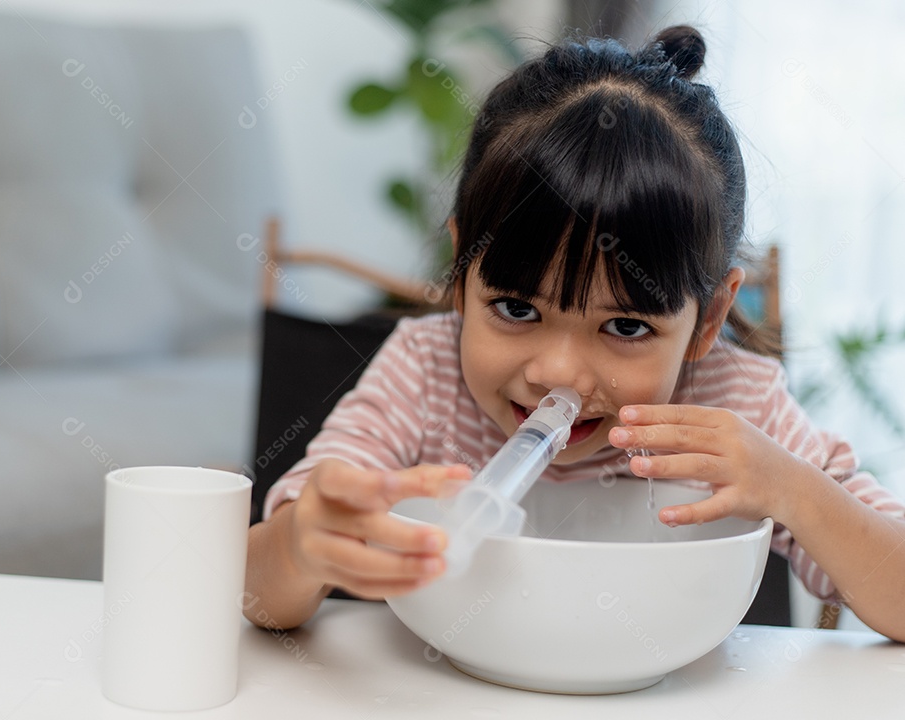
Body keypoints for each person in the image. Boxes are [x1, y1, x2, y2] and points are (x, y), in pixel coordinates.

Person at [244, 25, 905, 639]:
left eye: (624, 325)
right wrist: (302, 544)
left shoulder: (737, 404)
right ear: (462, 264)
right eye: (517, 310)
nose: (558, 373)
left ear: (706, 322)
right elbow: (255, 596)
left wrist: (793, 489)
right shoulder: (425, 372)